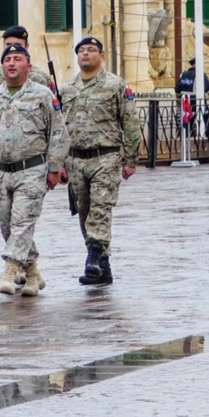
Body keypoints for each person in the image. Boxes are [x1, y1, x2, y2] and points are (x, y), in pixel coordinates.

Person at [0, 44, 69, 297]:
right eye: (7, 59)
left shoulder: (43, 95)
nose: (11, 63)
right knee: (7, 225)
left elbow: (59, 133)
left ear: (28, 67)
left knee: (22, 222)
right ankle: (32, 274)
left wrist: (55, 168)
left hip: (32, 169)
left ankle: (9, 270)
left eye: (17, 59)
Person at [60, 36, 141, 285]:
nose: (85, 54)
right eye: (82, 50)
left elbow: (130, 122)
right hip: (75, 160)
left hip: (105, 157)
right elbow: (60, 129)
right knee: (85, 212)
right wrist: (59, 162)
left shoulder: (116, 85)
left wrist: (131, 160)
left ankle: (93, 256)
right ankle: (102, 268)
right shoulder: (67, 88)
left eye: (91, 50)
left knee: (100, 209)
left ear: (101, 56)